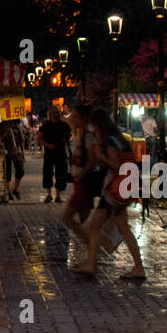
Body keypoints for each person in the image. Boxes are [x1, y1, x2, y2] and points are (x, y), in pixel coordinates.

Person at [77, 114, 145, 279]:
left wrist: (100, 154)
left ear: (100, 127)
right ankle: (138, 267)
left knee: (94, 225)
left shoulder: (109, 141)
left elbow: (114, 163)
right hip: (122, 189)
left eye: (95, 128)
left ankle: (92, 264)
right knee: (122, 227)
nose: (94, 131)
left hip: (113, 191)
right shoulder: (120, 139)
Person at [61, 105, 103, 264]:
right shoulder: (79, 134)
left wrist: (81, 175)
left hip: (84, 183)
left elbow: (92, 161)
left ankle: (92, 250)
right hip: (80, 183)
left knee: (67, 217)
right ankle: (92, 255)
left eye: (77, 116)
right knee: (85, 220)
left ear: (84, 119)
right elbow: (70, 123)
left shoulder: (88, 136)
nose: (74, 119)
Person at [38, 106, 70, 204]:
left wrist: (66, 140)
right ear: (50, 114)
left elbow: (70, 135)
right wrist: (47, 145)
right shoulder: (46, 126)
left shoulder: (64, 125)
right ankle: (49, 195)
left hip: (61, 153)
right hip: (49, 154)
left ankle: (58, 196)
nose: (58, 114)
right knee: (48, 173)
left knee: (61, 174)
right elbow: (39, 138)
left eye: (58, 112)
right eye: (55, 112)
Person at [0, 118, 26, 200]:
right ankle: (8, 192)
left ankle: (15, 189)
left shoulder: (17, 123)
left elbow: (21, 140)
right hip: (6, 150)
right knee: (7, 172)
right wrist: (5, 135)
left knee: (21, 170)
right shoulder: (2, 124)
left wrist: (23, 152)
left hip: (16, 151)